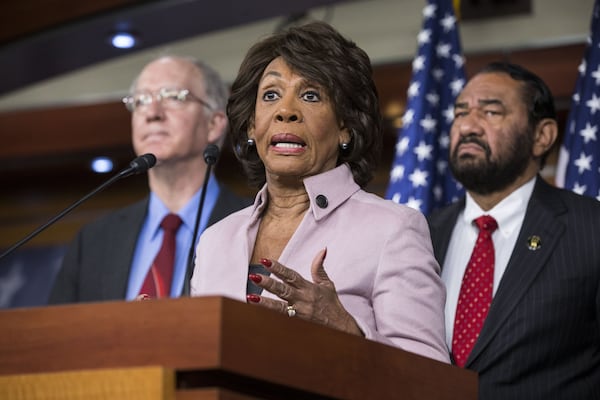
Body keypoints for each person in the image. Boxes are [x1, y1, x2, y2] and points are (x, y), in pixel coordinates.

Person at [190, 21, 449, 363]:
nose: (286, 111)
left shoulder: (392, 229)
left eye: (311, 95)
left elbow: (430, 379)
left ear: (345, 126)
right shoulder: (215, 240)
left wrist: (346, 330)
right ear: (252, 125)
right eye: (270, 95)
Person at [428, 62, 600, 399]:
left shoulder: (591, 229)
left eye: (491, 112)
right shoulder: (421, 234)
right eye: (460, 112)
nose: (468, 125)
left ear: (541, 136)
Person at [48, 55, 252, 303]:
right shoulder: (93, 240)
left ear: (214, 123)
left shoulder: (253, 227)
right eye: (141, 100)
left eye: (173, 97)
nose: (152, 113)